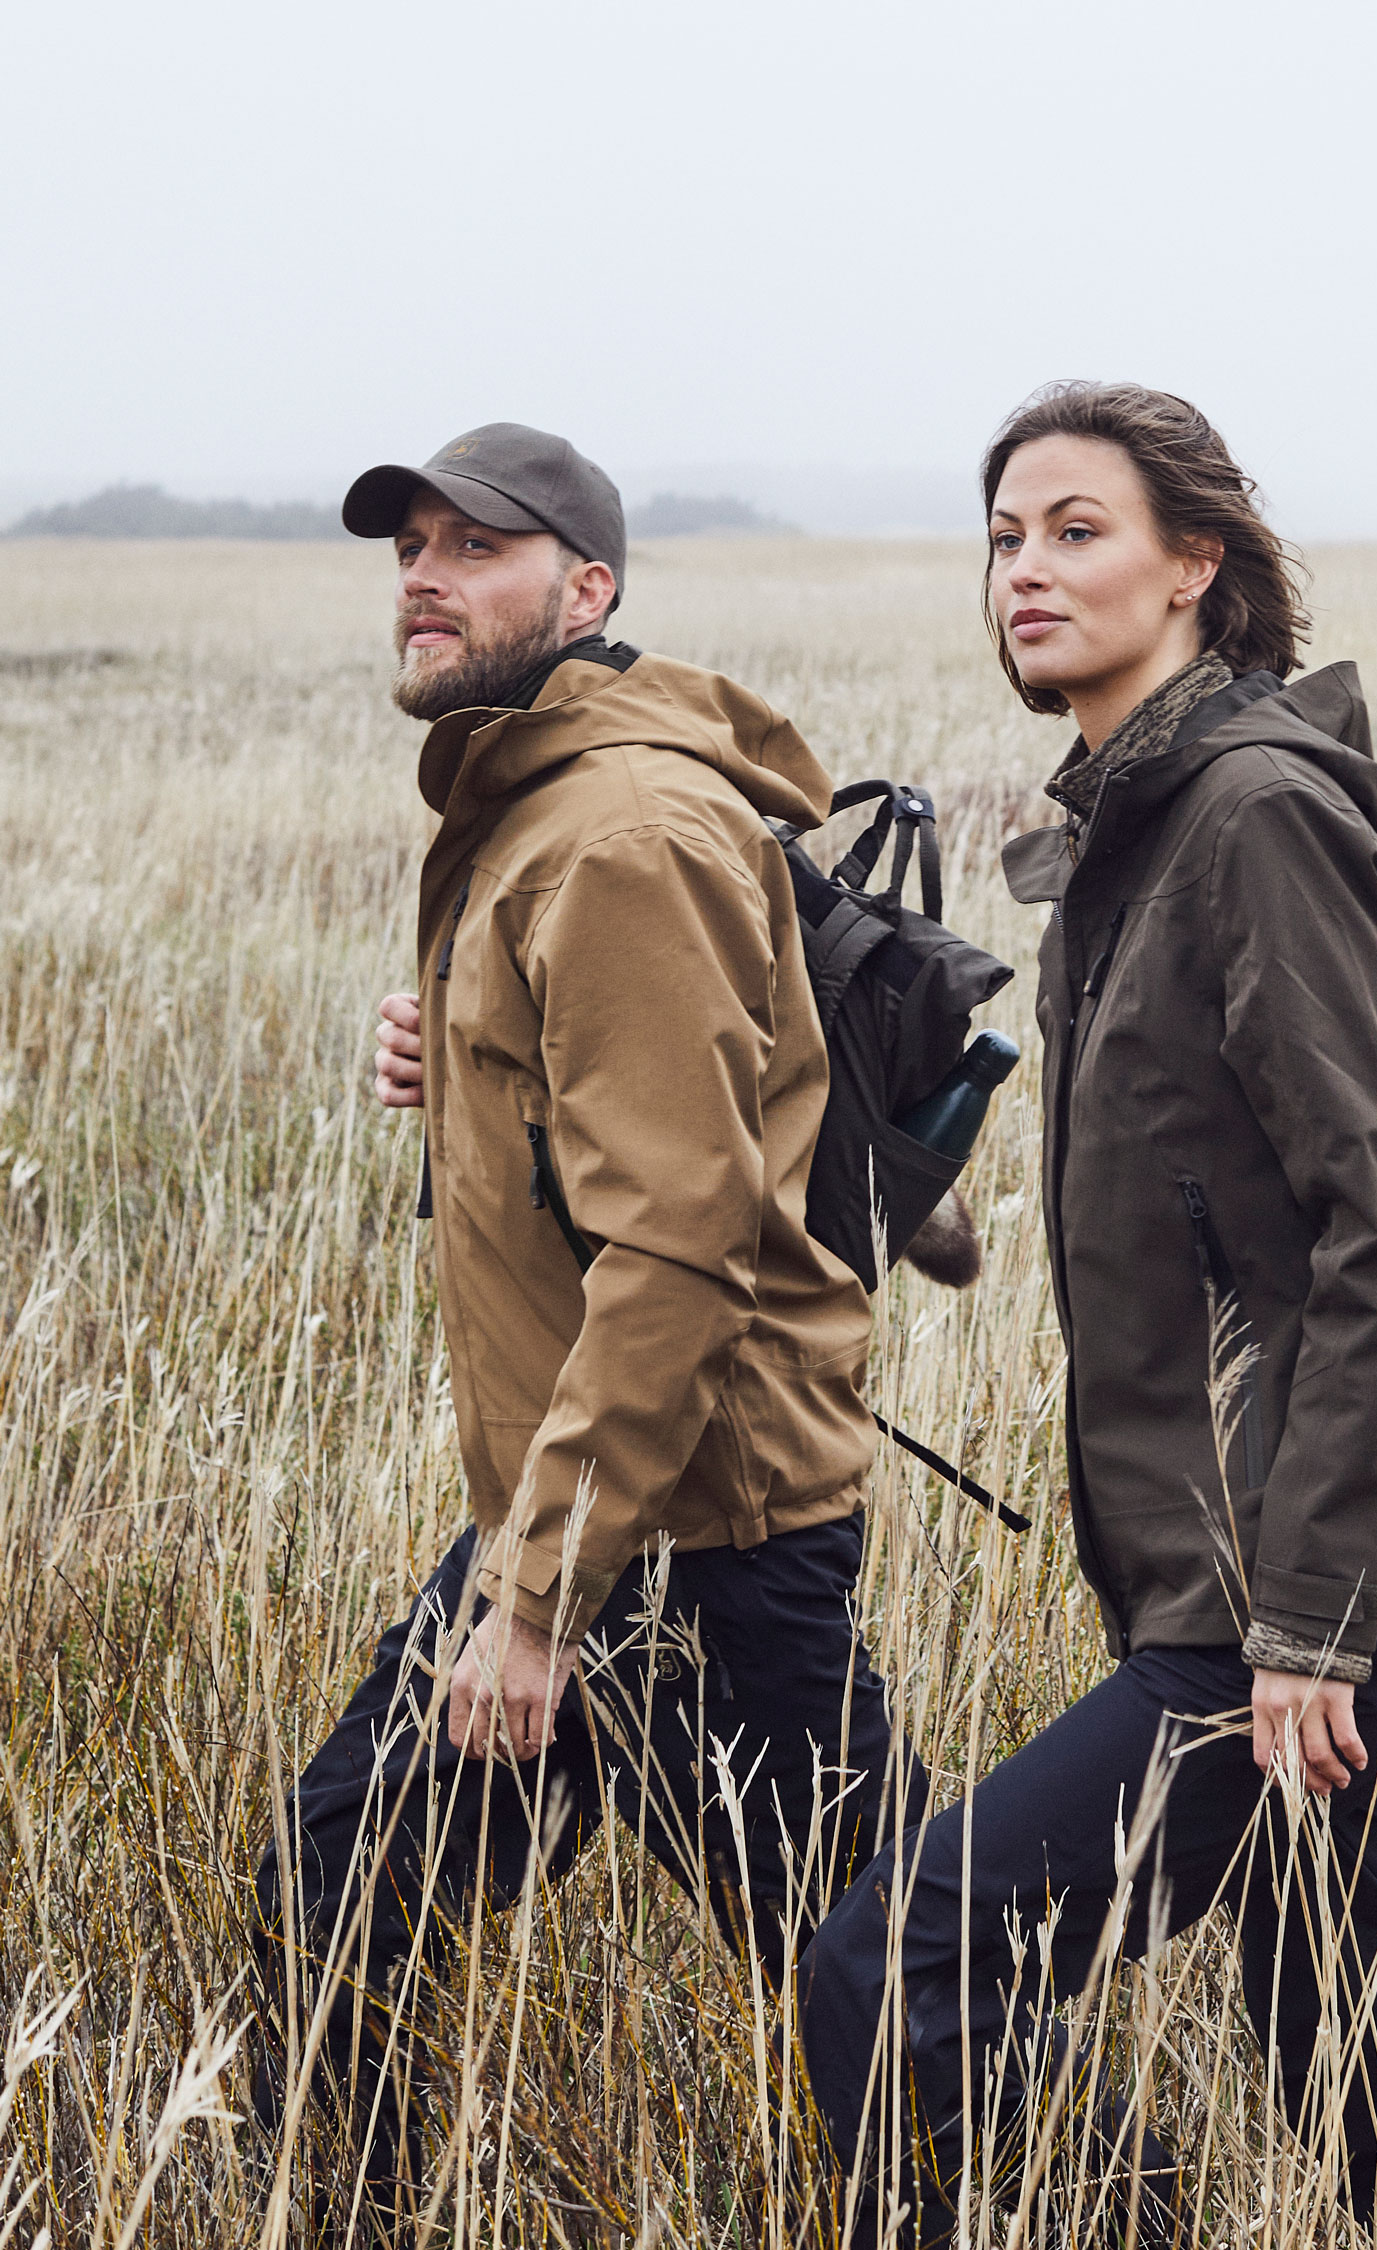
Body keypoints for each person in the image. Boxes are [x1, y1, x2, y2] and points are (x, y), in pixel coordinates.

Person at [797, 385, 1377, 2248]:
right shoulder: (1129, 841)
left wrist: (1305, 1625)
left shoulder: (1243, 820)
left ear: (1195, 565)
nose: (1025, 569)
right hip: (1278, 1577)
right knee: (1356, 2042)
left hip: (1302, 1592)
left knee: (895, 1964)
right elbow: (1193, 1179)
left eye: (1077, 528)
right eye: (1003, 537)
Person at [251, 422, 924, 2236]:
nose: (420, 572)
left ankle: (1087, 2205)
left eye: (476, 546)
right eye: (408, 544)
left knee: (891, 1988)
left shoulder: (618, 831)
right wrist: (466, 1058)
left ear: (588, 589)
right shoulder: (541, 803)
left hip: (686, 1533)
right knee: (875, 1967)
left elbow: (682, 1246)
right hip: (626, 1503)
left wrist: (533, 1592)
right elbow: (638, 1129)